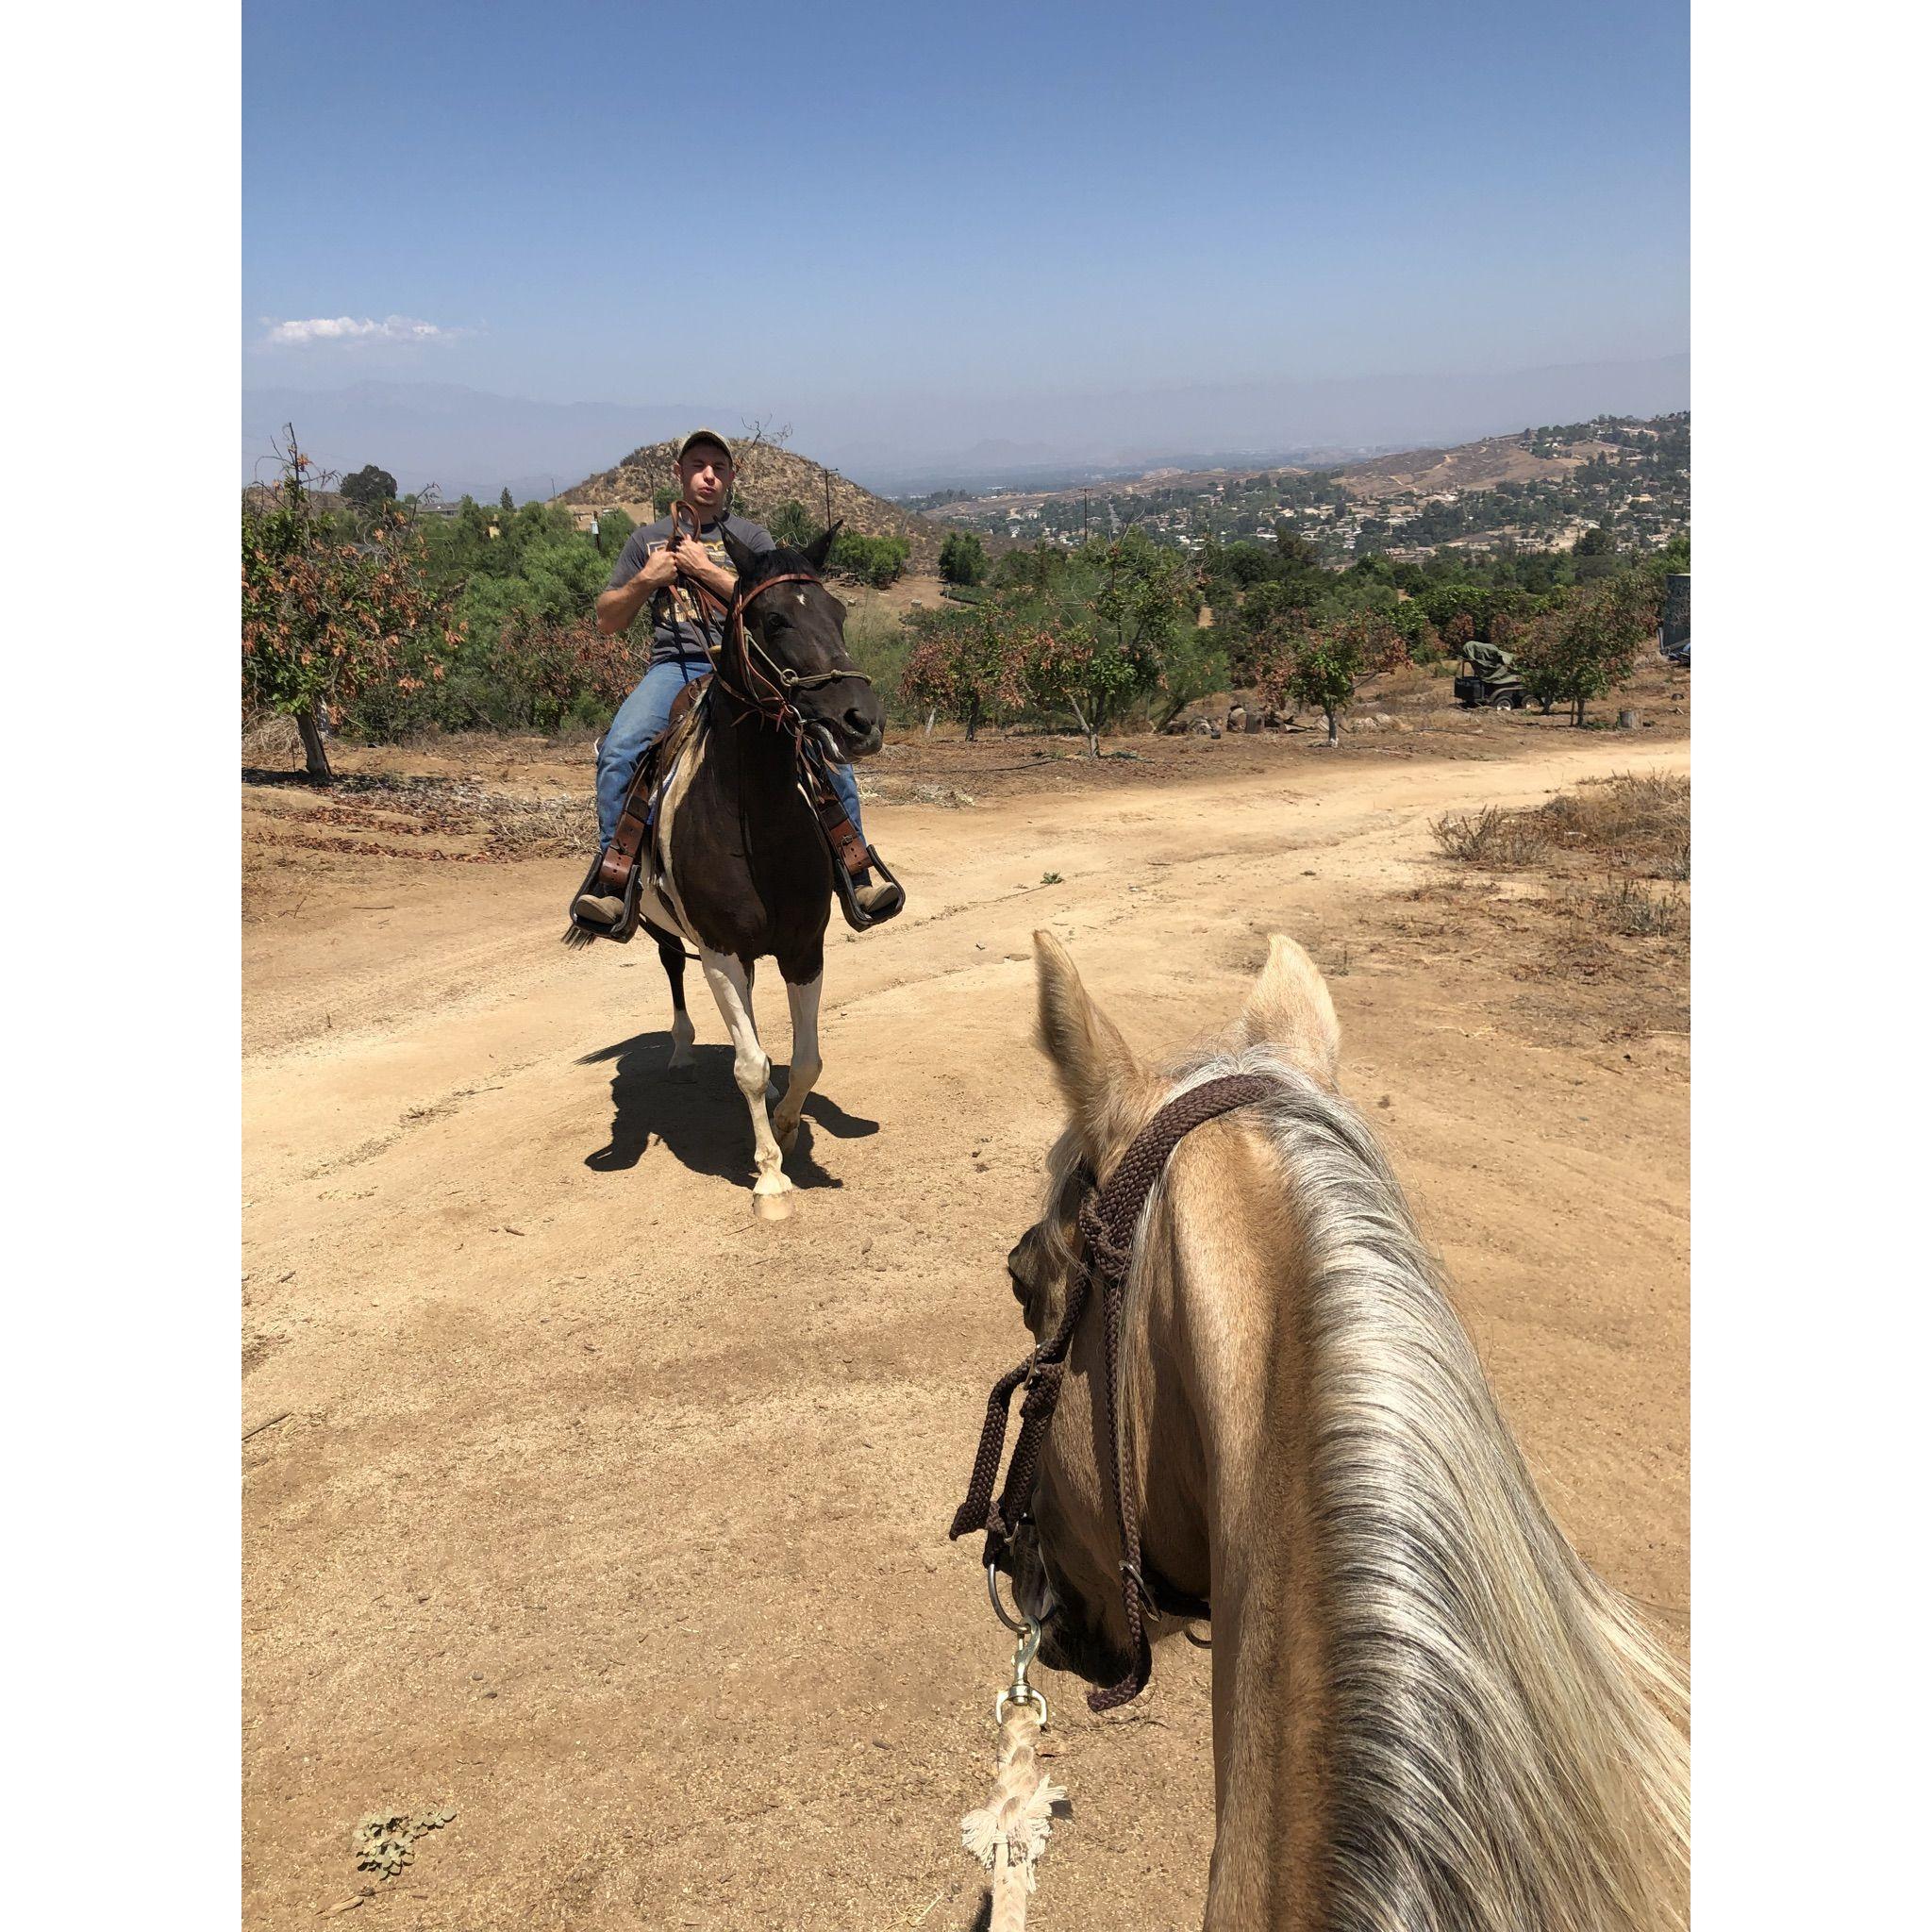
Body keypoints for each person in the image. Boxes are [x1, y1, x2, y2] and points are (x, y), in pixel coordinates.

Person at [572, 428, 899, 925]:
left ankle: (856, 872)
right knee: (621, 749)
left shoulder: (752, 539)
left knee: (826, 749)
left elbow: (781, 609)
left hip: (751, 671)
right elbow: (607, 619)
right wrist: (647, 579)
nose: (708, 475)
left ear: (731, 477)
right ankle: (614, 881)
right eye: (698, 465)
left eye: (719, 467)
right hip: (673, 667)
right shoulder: (645, 540)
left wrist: (705, 570)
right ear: (679, 472)